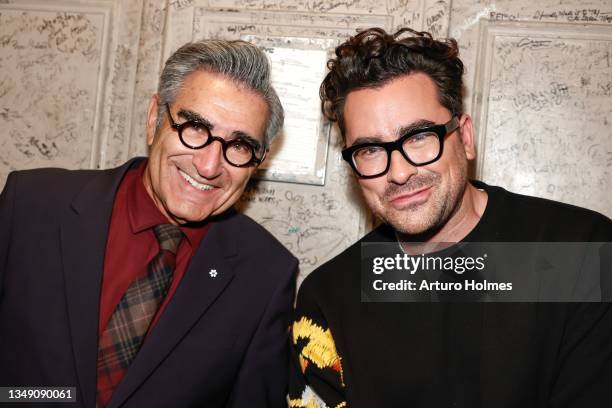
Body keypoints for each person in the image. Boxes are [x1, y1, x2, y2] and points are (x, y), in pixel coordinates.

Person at [289, 27, 612, 407]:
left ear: (466, 137)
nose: (399, 172)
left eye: (419, 137)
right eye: (371, 150)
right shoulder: (328, 296)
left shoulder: (582, 254)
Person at [0, 39, 297, 407]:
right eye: (195, 128)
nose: (208, 166)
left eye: (238, 146)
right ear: (155, 118)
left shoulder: (266, 274)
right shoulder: (32, 205)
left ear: (258, 161)